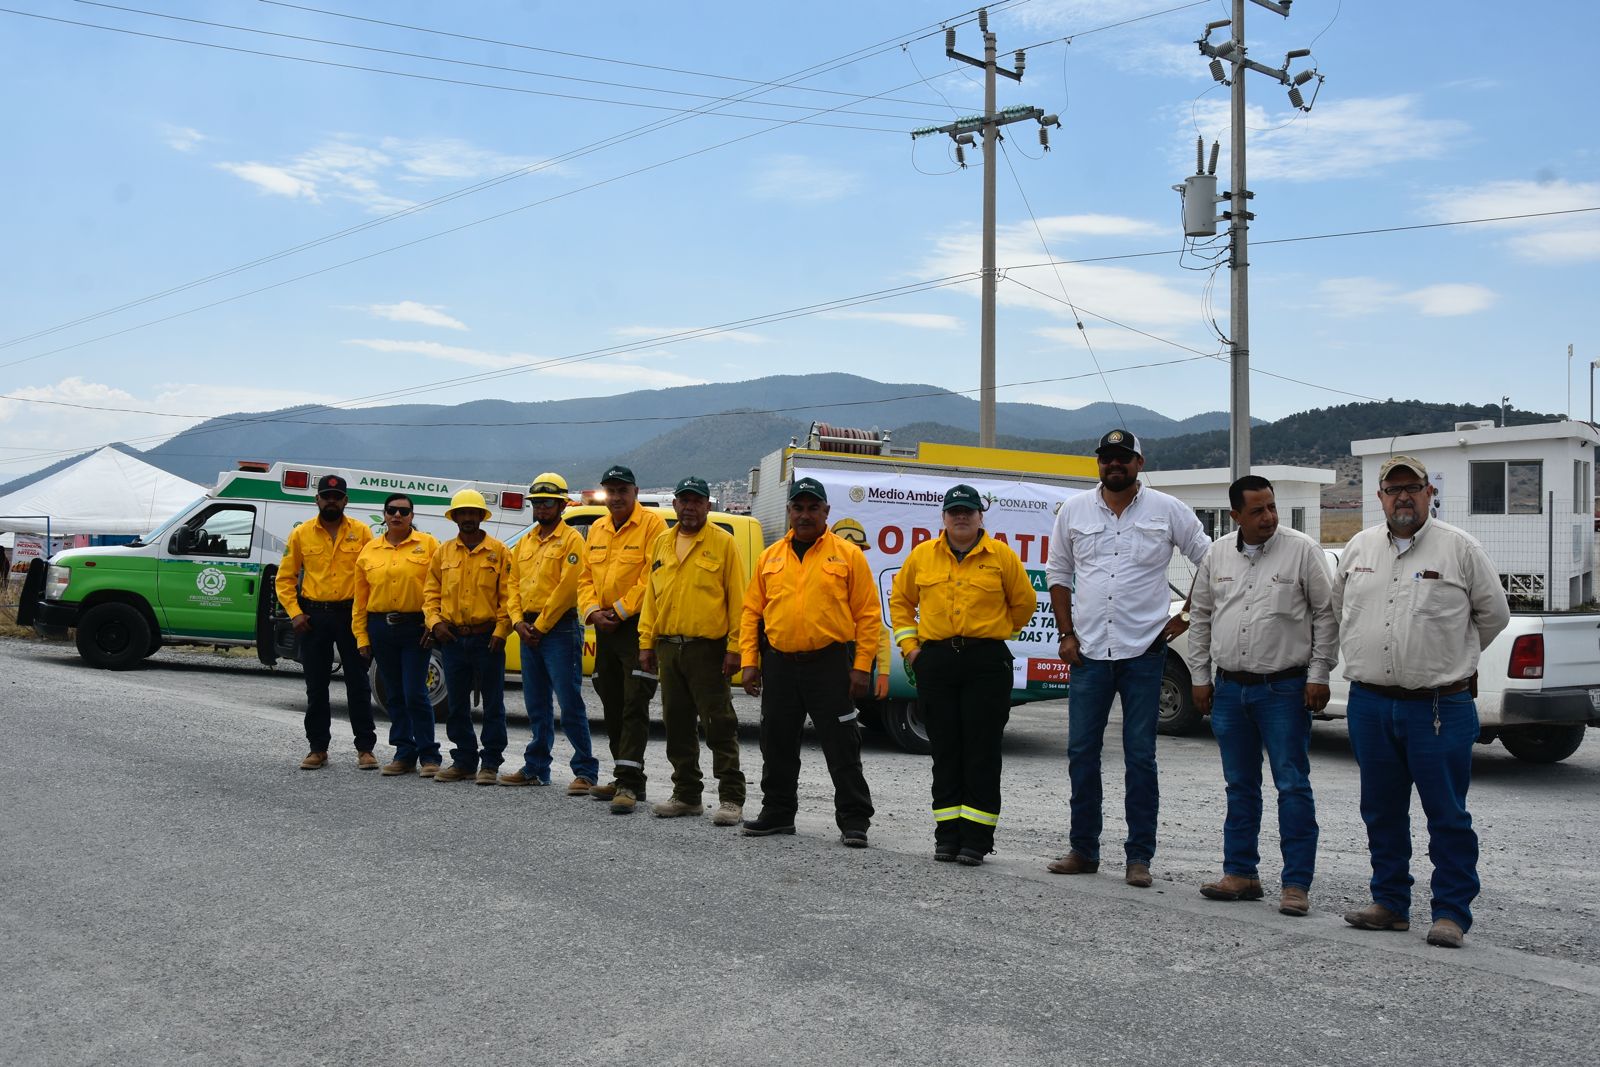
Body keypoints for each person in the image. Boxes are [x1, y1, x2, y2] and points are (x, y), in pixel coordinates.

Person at [1334, 455, 1509, 949]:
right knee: (1381, 810)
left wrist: (1451, 660)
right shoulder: (1359, 547)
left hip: (1438, 707)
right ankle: (1389, 903)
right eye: (1393, 490)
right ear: (1380, 498)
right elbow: (1337, 609)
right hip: (1370, 704)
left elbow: (1494, 615)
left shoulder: (1460, 548)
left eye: (1412, 487)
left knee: (1447, 814)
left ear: (1430, 492)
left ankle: (1451, 912)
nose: (1403, 497)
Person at [1045, 429, 1210, 886]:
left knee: (1140, 757)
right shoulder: (1074, 510)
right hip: (1089, 653)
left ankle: (1139, 858)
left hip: (1144, 651)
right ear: (1099, 464)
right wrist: (1066, 634)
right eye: (1107, 458)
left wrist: (1187, 614)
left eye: (1123, 457)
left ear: (1139, 463)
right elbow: (1058, 573)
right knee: (1082, 753)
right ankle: (1083, 850)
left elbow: (1210, 560)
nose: (1114, 464)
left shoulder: (1168, 509)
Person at [1184, 475, 1338, 917]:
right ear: (1236, 515)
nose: (1268, 517)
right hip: (1230, 689)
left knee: (1292, 785)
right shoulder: (1216, 554)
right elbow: (1201, 617)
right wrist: (1200, 678)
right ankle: (1241, 874)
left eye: (1271, 507)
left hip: (1284, 689)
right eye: (1257, 511)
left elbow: (1326, 615)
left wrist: (1319, 674)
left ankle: (1296, 885)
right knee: (1239, 785)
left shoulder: (1302, 550)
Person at [888, 484, 1035, 865]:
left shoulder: (1001, 556)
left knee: (982, 751)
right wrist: (912, 650)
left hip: (986, 664)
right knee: (945, 750)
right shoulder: (922, 555)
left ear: (980, 516)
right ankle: (947, 837)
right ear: (944, 517)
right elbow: (900, 602)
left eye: (968, 511)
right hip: (936, 662)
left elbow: (1024, 603)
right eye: (954, 511)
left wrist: (995, 631)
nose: (961, 517)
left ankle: (976, 841)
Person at [739, 477, 880, 846]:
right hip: (780, 664)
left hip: (829, 664)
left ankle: (854, 819)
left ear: (826, 511)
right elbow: (752, 612)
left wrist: (861, 666)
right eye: (798, 507)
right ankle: (778, 813)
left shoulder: (848, 555)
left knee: (841, 743)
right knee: (776, 742)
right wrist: (750, 661)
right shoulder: (770, 557)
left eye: (813, 508)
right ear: (789, 511)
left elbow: (868, 615)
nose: (805, 515)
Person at [637, 476, 746, 827]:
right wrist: (646, 643)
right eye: (684, 500)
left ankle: (731, 798)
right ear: (674, 504)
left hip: (708, 650)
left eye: (697, 501)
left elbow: (738, 600)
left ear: (707, 505)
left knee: (719, 724)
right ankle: (686, 795)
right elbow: (651, 599)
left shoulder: (723, 543)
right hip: (669, 648)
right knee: (677, 724)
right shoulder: (661, 543)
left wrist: (735, 648)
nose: (689, 507)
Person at [501, 473, 600, 793]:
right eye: (537, 503)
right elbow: (512, 584)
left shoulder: (572, 541)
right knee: (536, 703)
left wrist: (539, 627)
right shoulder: (526, 542)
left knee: (570, 703)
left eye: (548, 502)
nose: (541, 508)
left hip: (559, 629)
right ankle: (536, 767)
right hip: (528, 628)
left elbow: (567, 589)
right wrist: (518, 622)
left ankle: (585, 771)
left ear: (561, 505)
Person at [578, 464, 669, 814]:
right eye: (611, 491)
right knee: (612, 702)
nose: (616, 497)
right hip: (604, 628)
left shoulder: (653, 525)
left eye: (622, 491)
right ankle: (625, 777)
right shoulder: (598, 528)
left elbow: (652, 577)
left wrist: (618, 611)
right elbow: (585, 577)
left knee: (634, 703)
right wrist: (592, 611)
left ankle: (628, 784)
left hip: (636, 628)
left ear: (635, 492)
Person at [275, 473, 377, 770]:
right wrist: (295, 613)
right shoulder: (301, 533)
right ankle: (317, 749)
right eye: (326, 496)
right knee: (316, 685)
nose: (331, 501)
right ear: (317, 499)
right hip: (313, 617)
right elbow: (285, 578)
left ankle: (365, 749)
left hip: (350, 616)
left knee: (358, 684)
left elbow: (372, 575)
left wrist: (367, 616)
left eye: (337, 497)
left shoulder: (362, 532)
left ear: (346, 501)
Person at [423, 489, 512, 786]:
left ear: (481, 516)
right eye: (463, 513)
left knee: (493, 703)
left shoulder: (499, 552)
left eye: (473, 513)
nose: (468, 518)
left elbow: (509, 597)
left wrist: (501, 630)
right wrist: (435, 623)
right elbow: (430, 593)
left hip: (487, 638)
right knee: (457, 704)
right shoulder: (443, 552)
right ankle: (463, 760)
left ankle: (490, 763)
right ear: (455, 517)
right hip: (451, 639)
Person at [353, 493, 442, 777]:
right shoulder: (369, 550)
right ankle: (404, 753)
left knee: (415, 692)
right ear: (384, 515)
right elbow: (360, 599)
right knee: (393, 694)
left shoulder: (429, 545)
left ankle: (429, 755)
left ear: (412, 516)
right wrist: (362, 637)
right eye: (392, 510)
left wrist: (433, 623)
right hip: (381, 627)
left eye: (404, 511)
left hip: (416, 628)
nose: (397, 515)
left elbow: (440, 587)